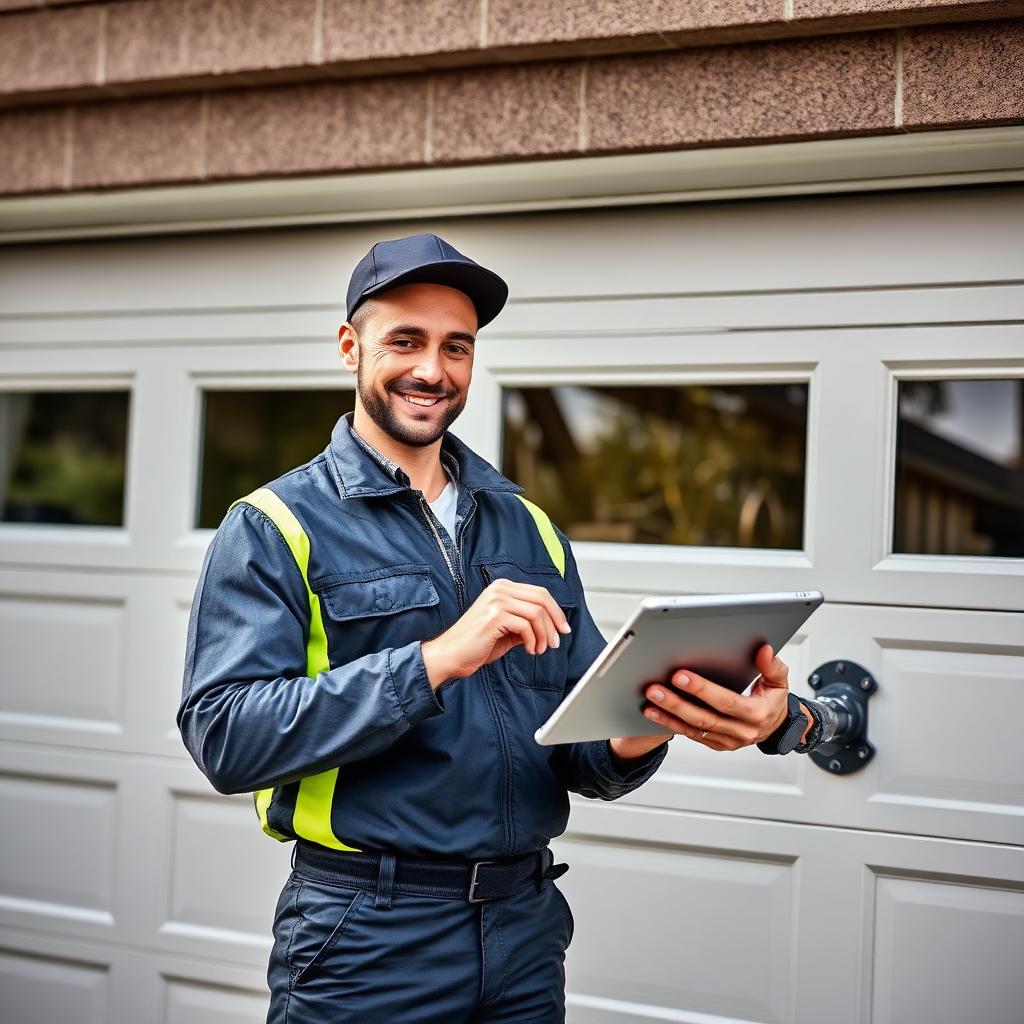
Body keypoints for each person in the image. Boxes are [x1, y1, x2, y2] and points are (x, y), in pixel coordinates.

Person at [178, 233, 837, 1024]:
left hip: (523, 930)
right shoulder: (275, 524)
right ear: (350, 347)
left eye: (456, 346)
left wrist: (657, 720)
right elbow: (226, 738)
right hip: (366, 936)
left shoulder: (529, 528)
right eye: (406, 341)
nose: (432, 369)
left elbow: (581, 751)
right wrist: (435, 660)